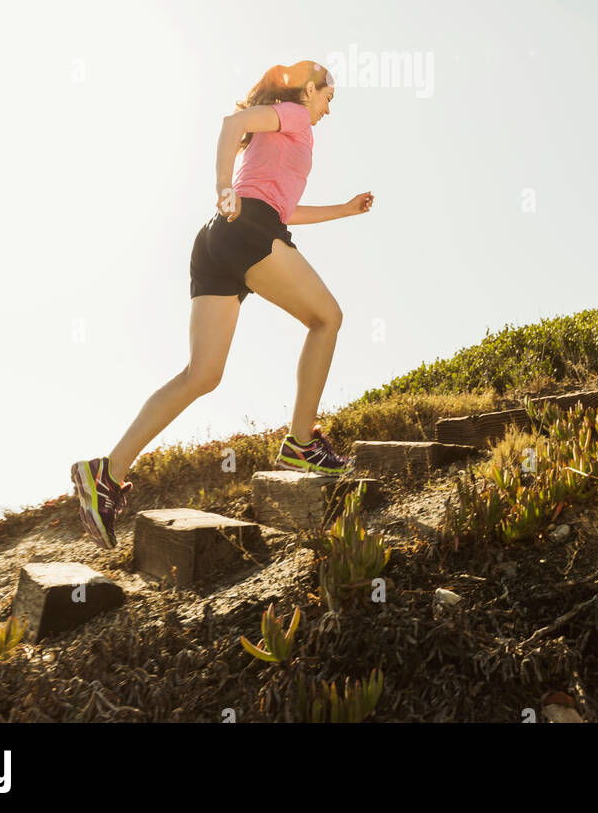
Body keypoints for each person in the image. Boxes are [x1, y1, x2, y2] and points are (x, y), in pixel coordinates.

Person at [70, 60, 374, 549]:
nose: (327, 110)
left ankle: (106, 473)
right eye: (327, 98)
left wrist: (344, 209)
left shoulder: (281, 133)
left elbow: (285, 208)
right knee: (327, 318)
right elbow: (231, 125)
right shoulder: (292, 114)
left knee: (202, 374)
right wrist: (223, 187)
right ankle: (302, 443)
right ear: (309, 89)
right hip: (247, 228)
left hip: (219, 240)